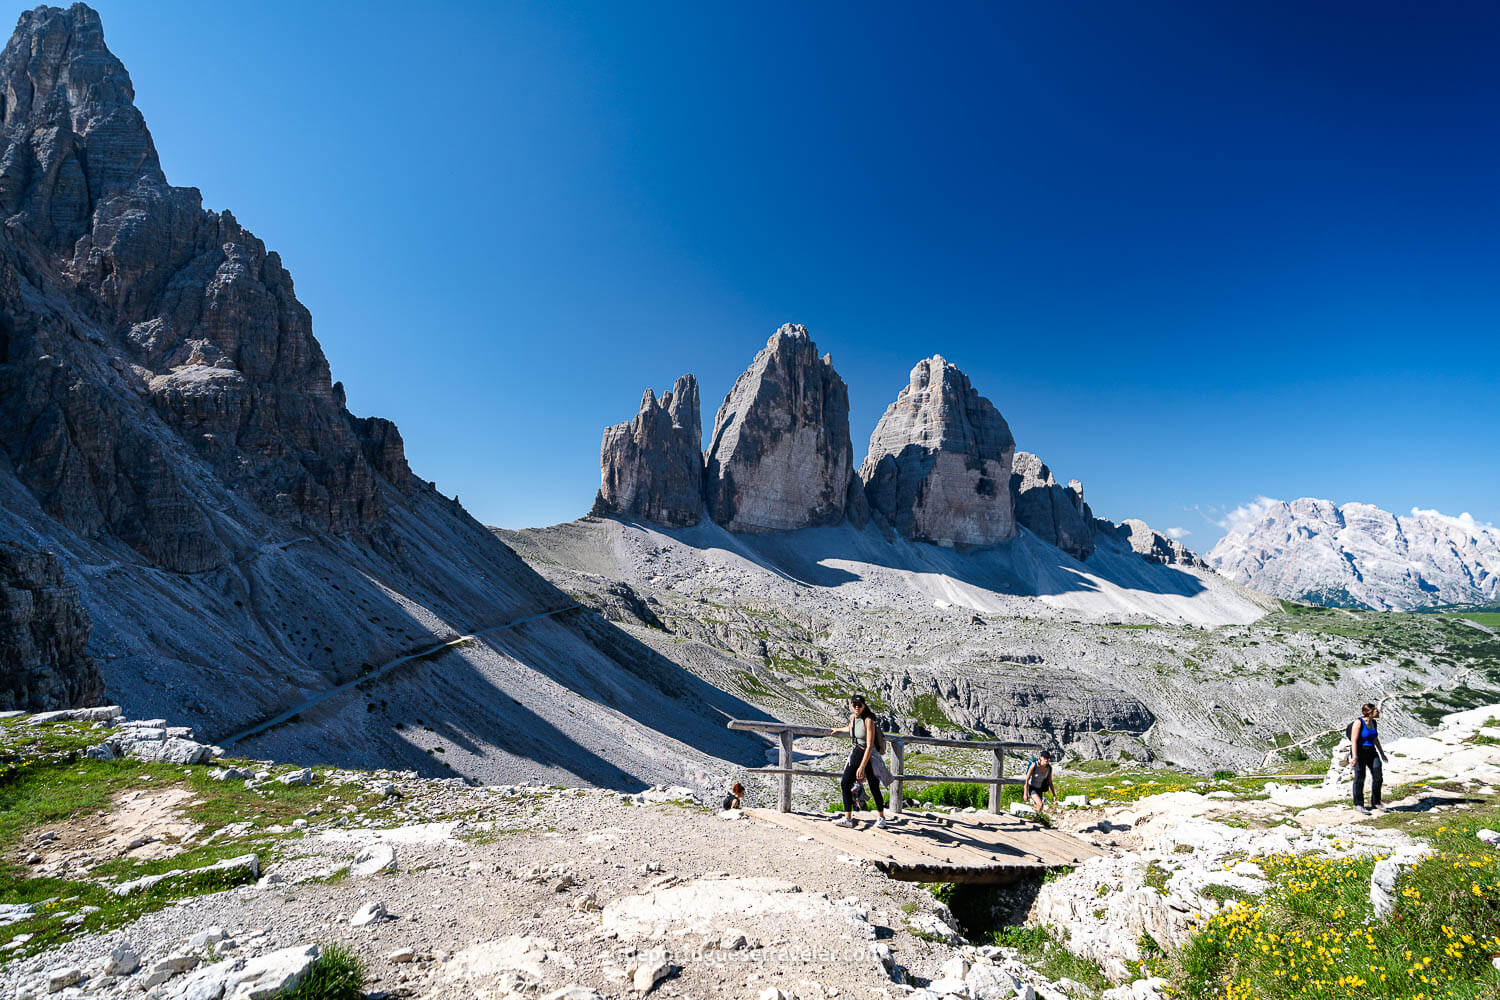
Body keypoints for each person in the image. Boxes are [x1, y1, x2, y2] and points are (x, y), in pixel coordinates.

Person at [825, 695, 890, 830]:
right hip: (857, 752)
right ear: (851, 705)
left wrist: (862, 766)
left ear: (864, 706)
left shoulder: (868, 720)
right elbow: (850, 729)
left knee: (873, 785)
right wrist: (837, 729)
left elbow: (870, 745)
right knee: (845, 783)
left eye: (859, 705)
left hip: (868, 755)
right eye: (854, 704)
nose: (856, 707)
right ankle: (848, 818)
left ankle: (881, 817)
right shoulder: (853, 718)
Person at [1349, 702, 1388, 813]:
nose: (1378, 712)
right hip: (1360, 751)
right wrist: (1355, 756)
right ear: (1369, 712)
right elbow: (1354, 740)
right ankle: (1358, 804)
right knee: (1360, 777)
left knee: (1378, 776)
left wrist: (1381, 753)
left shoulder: (1374, 722)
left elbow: (1375, 738)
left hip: (1371, 751)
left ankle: (1376, 802)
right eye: (1376, 710)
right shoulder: (1358, 722)